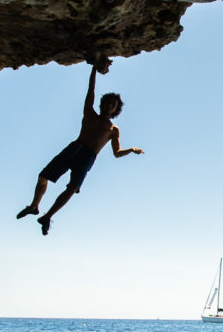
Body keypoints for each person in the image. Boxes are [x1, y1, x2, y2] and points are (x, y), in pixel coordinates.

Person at [16, 55, 144, 235]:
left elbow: (116, 153)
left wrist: (131, 150)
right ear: (102, 103)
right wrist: (94, 69)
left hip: (88, 156)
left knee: (72, 188)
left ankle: (47, 217)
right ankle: (34, 206)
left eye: (113, 105)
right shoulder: (89, 113)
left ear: (116, 110)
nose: (109, 105)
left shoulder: (114, 129)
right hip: (75, 147)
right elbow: (90, 90)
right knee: (43, 176)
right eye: (108, 102)